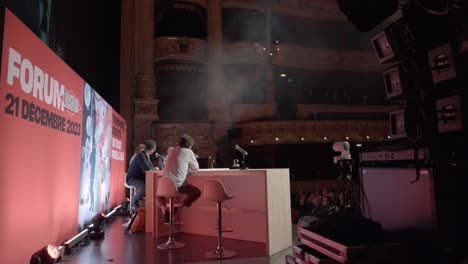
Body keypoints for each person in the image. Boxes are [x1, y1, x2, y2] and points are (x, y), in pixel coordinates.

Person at [157, 134, 201, 222]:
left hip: (164, 185)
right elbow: (196, 168)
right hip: (178, 186)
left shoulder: (170, 150)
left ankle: (164, 209)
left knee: (158, 196)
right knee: (196, 192)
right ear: (189, 146)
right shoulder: (188, 152)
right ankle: (180, 205)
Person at [126, 140, 157, 209]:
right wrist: (155, 169)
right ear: (152, 150)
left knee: (151, 184)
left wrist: (154, 169)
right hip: (132, 179)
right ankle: (133, 201)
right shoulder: (141, 156)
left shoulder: (146, 156)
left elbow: (150, 167)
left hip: (139, 178)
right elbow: (147, 168)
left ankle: (150, 204)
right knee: (144, 186)